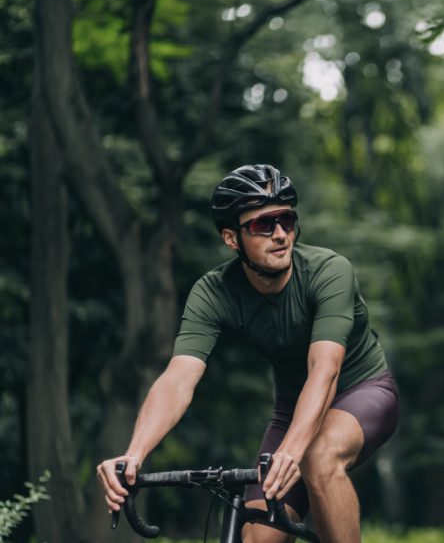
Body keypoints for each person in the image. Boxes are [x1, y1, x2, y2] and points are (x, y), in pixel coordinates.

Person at [96, 164, 399, 543]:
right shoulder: (214, 292)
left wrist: (291, 450)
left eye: (286, 219)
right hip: (291, 412)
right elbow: (177, 379)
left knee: (318, 456)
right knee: (257, 538)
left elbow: (325, 371)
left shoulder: (329, 271)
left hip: (361, 392)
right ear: (231, 237)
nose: (280, 234)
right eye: (262, 225)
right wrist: (135, 454)